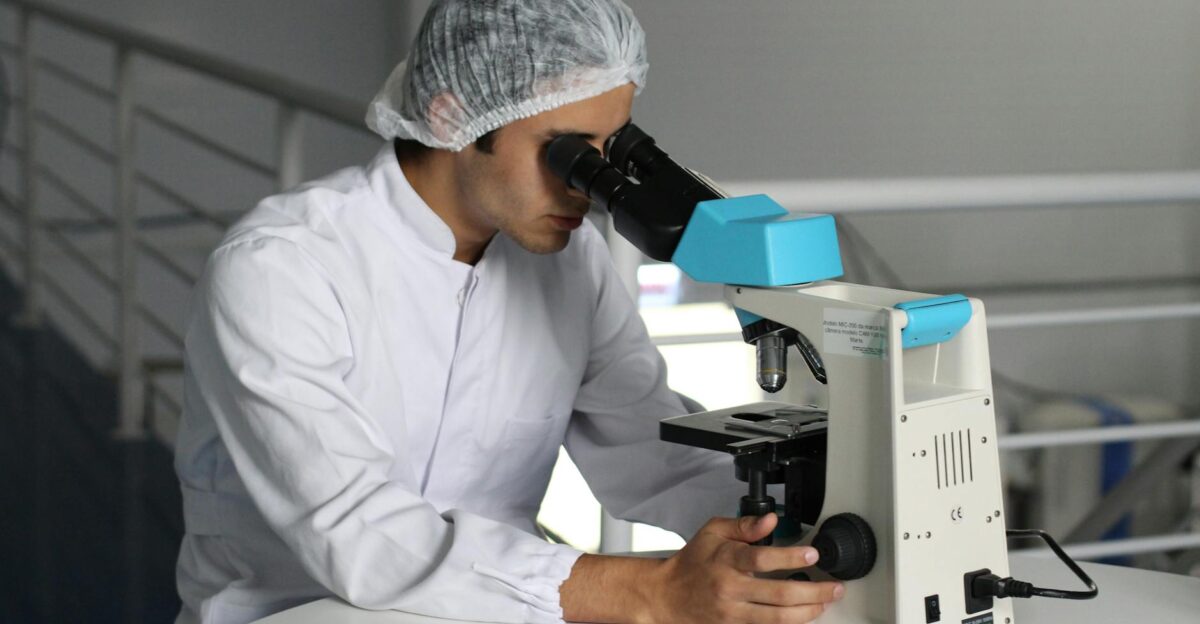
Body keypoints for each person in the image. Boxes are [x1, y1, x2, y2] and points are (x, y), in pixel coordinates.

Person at [173, 1, 844, 623]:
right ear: (451, 117)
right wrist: (654, 593)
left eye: (609, 153)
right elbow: (355, 534)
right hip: (302, 611)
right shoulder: (283, 267)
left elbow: (653, 453)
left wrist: (790, 536)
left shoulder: (567, 263)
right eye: (568, 152)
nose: (588, 190)